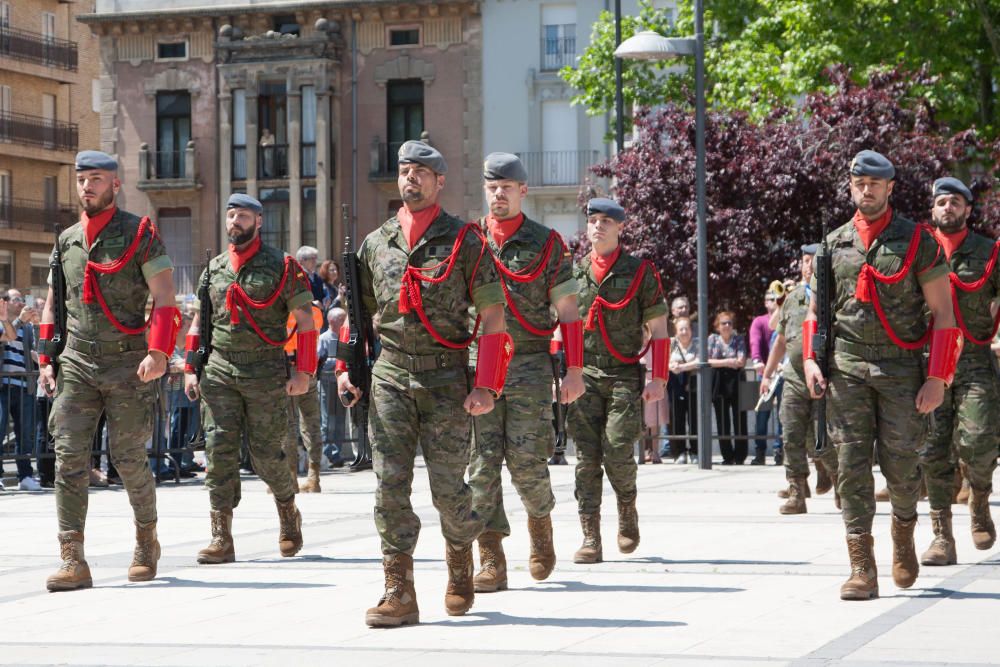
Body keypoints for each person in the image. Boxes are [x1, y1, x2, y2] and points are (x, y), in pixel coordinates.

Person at [337, 140, 509, 627]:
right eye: (404, 171)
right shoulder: (375, 243)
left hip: (445, 379)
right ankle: (399, 591)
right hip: (391, 375)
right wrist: (347, 370)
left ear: (439, 182)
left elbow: (494, 317)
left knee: (449, 491)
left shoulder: (465, 240)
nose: (410, 179)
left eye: (420, 172)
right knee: (389, 486)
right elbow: (359, 316)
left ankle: (460, 560)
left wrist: (487, 385)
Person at [803, 150, 957, 600]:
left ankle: (904, 534)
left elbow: (944, 314)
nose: (865, 190)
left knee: (903, 466)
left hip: (901, 367)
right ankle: (861, 566)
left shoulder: (917, 241)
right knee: (850, 466)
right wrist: (812, 359)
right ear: (850, 187)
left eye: (875, 184)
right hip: (847, 368)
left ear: (890, 188)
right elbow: (817, 310)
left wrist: (938, 378)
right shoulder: (833, 243)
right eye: (858, 183)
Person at [39, 150, 179, 591]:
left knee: (128, 458)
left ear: (115, 185)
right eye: (81, 180)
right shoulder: (66, 240)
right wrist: (46, 357)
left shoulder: (139, 233)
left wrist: (158, 353)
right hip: (77, 362)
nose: (87, 187)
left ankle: (145, 540)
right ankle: (72, 557)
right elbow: (52, 301)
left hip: (127, 363)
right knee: (68, 459)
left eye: (96, 179)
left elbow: (165, 298)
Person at [466, 153, 585, 594]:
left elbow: (569, 313)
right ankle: (491, 558)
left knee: (527, 465)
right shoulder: (467, 240)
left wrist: (574, 370)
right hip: (479, 367)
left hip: (529, 365)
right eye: (491, 185)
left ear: (522, 191)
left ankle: (540, 528)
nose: (498, 193)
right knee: (480, 467)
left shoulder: (547, 244)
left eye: (506, 186)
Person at [183, 193, 316, 565]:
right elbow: (198, 322)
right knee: (218, 450)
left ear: (258, 221)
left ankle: (288, 512)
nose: (234, 222)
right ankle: (221, 536)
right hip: (220, 370)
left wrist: (303, 371)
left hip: (265, 370)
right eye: (230, 215)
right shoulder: (214, 269)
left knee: (267, 454)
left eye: (242, 215)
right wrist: (191, 367)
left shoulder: (283, 266)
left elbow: (305, 321)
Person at [567, 197, 669, 564]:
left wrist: (659, 378)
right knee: (586, 458)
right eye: (593, 220)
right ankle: (590, 536)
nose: (598, 226)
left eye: (606, 221)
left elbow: (659, 330)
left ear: (621, 227)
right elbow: (562, 328)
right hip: (585, 374)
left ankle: (627, 508)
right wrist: (561, 373)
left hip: (624, 372)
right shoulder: (574, 273)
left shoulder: (640, 272)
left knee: (618, 449)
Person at [919, 177, 998, 565]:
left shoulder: (988, 251)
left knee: (980, 440)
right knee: (933, 450)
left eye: (954, 202)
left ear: (967, 209)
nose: (946, 208)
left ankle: (979, 500)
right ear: (932, 210)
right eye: (940, 202)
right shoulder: (918, 250)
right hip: (930, 363)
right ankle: (941, 537)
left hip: (975, 360)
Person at [760, 244, 840, 514]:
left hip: (824, 377)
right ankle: (797, 493)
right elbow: (780, 340)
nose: (808, 266)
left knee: (822, 439)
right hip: (794, 377)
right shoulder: (793, 298)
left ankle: (840, 482)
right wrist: (768, 374)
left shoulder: (835, 296)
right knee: (791, 435)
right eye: (805, 261)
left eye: (813, 261)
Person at [281, 301, 326, 492]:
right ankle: (314, 477)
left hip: (289, 368)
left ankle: (291, 477)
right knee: (311, 424)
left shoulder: (285, 310)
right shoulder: (316, 311)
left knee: (289, 424)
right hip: (309, 368)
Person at [1, 289, 41, 490]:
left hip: (24, 386)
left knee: (25, 434)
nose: (21, 303)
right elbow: (6, 335)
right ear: (5, 303)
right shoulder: (3, 324)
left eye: (22, 299)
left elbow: (38, 350)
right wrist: (19, 321)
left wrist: (35, 324)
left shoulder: (25, 328)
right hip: (3, 385)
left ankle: (25, 476)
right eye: (16, 299)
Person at [708, 311, 748, 464]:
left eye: (729, 323)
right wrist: (728, 362)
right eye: (723, 323)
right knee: (722, 420)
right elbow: (707, 360)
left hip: (737, 380)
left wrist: (724, 361)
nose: (727, 326)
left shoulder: (738, 339)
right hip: (719, 382)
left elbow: (741, 361)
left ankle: (740, 456)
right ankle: (727, 455)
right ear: (717, 326)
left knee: (740, 419)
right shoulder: (712, 339)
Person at [749, 289, 779, 465]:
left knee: (784, 415)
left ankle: (779, 450)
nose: (773, 301)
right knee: (762, 414)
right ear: (765, 302)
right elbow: (755, 341)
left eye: (775, 298)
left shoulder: (784, 318)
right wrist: (756, 361)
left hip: (782, 372)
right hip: (766, 374)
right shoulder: (759, 321)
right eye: (769, 299)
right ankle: (760, 451)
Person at [317, 307, 347, 467]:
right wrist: (338, 361)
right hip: (327, 384)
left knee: (340, 420)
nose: (344, 322)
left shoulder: (345, 337)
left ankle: (338, 452)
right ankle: (328, 453)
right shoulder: (324, 338)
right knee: (328, 420)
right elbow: (319, 361)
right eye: (342, 319)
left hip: (341, 385)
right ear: (332, 321)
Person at [668, 316, 699, 464]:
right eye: (681, 329)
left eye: (687, 328)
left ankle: (695, 452)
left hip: (693, 386)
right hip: (675, 385)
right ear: (676, 332)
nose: (684, 331)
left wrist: (682, 367)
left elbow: (700, 361)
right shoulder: (671, 344)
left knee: (694, 420)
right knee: (676, 419)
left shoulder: (697, 344)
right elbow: (664, 361)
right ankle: (679, 452)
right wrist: (672, 366)